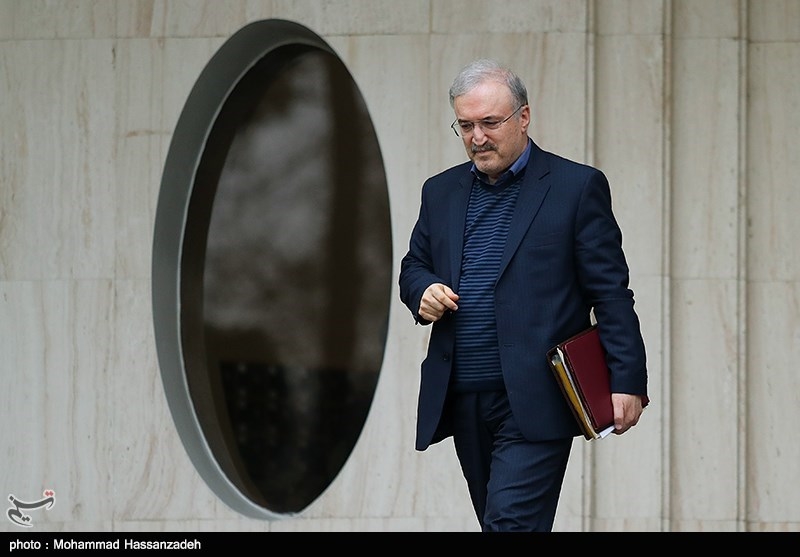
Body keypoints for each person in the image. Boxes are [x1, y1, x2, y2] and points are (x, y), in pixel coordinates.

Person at [398, 59, 648, 532]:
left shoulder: (577, 187)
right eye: (466, 125)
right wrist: (422, 291)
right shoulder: (440, 191)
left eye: (490, 123)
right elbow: (414, 266)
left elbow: (611, 293)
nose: (477, 137)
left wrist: (627, 379)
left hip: (537, 397)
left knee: (509, 526)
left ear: (524, 117)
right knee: (502, 524)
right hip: (462, 394)